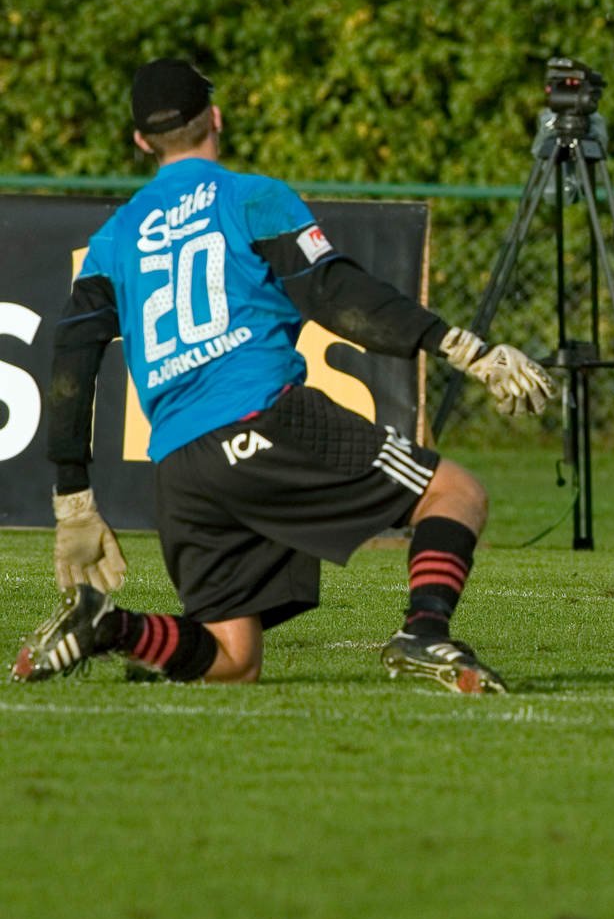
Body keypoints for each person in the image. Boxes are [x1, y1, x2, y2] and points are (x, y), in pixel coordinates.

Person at [11, 59, 553, 693]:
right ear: (215, 118)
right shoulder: (250, 197)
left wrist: (73, 498)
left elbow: (73, 353)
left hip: (182, 466)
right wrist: (461, 346)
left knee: (233, 659)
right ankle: (424, 632)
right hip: (265, 418)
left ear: (140, 141)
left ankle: (109, 627)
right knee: (455, 494)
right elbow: (334, 292)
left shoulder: (114, 236)